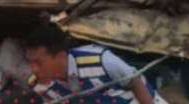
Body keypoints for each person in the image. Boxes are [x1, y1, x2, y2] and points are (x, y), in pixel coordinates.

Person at [24, 24, 159, 104]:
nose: (33, 69)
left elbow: (135, 82)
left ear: (60, 57)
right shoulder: (37, 86)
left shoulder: (100, 60)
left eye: (39, 63)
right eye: (29, 62)